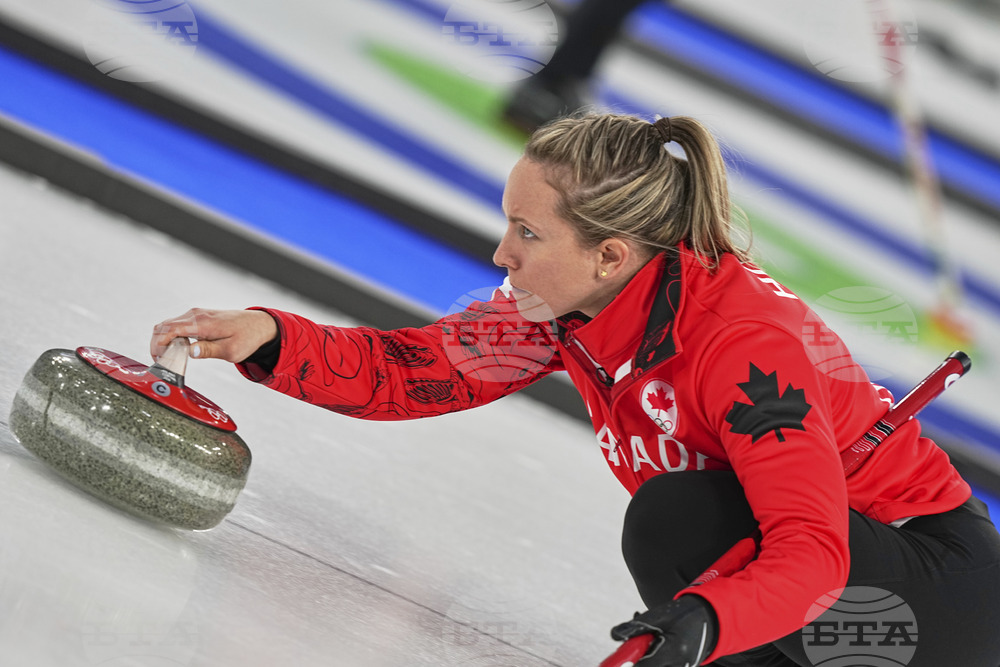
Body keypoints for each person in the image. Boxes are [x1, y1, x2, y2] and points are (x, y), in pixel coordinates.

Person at [151, 113, 1000, 666]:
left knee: (677, 522)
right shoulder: (568, 309)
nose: (500, 255)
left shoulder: (741, 349)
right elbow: (422, 368)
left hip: (932, 598)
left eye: (526, 232)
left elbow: (814, 552)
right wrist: (270, 336)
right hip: (838, 577)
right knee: (678, 526)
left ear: (611, 253)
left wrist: (702, 621)